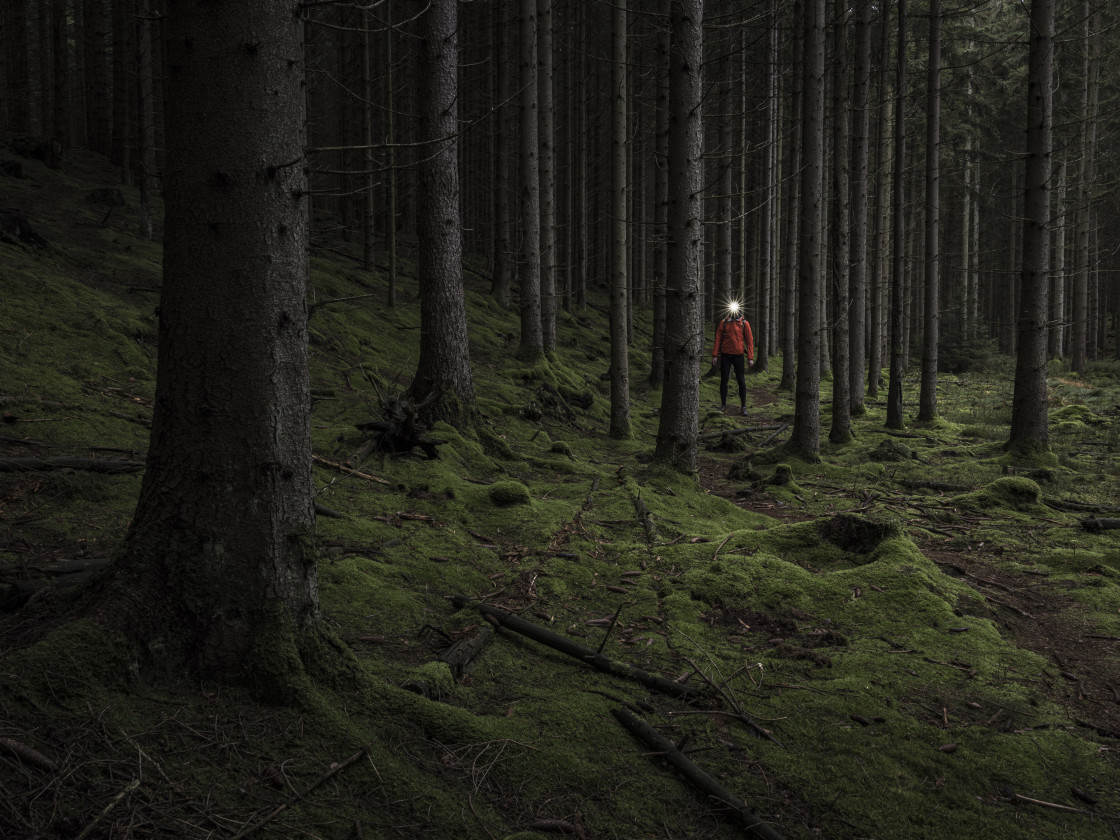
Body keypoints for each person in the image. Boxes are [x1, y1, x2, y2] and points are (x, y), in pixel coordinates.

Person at [710, 304, 754, 416]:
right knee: (724, 380)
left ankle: (743, 407)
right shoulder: (724, 322)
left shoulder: (744, 324)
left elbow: (749, 341)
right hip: (725, 356)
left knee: (741, 381)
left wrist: (750, 358)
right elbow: (718, 338)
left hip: (739, 356)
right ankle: (723, 405)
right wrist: (715, 355)